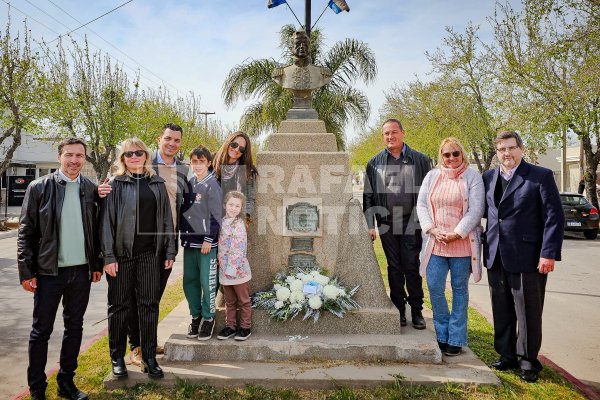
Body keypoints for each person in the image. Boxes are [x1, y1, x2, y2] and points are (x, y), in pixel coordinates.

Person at [18, 137, 104, 400]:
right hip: (48, 272)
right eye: (69, 155)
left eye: (79, 155)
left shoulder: (90, 189)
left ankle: (66, 382)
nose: (74, 160)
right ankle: (37, 388)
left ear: (84, 158)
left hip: (81, 271)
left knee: (74, 328)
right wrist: (26, 270)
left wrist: (96, 264)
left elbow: (97, 231)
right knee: (41, 331)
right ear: (60, 157)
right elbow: (26, 232)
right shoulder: (39, 187)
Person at [483, 130, 564, 383]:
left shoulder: (540, 176)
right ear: (496, 152)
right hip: (496, 254)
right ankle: (506, 356)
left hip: (528, 257)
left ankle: (528, 361)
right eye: (501, 149)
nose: (506, 153)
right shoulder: (487, 177)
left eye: (511, 148)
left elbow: (554, 217)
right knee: (502, 309)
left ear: (521, 149)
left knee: (528, 313)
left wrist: (548, 253)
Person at [101, 138, 176, 379]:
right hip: (121, 257)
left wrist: (169, 251)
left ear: (146, 155)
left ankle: (149, 357)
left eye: (138, 153)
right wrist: (109, 256)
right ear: (123, 159)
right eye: (129, 154)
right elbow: (106, 224)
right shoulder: (115, 184)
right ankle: (117, 358)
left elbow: (166, 220)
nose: (134, 157)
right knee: (119, 307)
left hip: (149, 256)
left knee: (149, 305)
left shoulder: (157, 183)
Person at [127, 122, 188, 366]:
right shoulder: (143, 161)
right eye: (168, 138)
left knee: (154, 295)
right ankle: (136, 346)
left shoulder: (183, 169)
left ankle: (149, 341)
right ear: (159, 139)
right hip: (142, 240)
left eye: (177, 140)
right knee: (136, 295)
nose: (172, 143)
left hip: (169, 240)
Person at [416, 138, 485, 356]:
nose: (452, 158)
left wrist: (458, 233)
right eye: (447, 155)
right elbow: (421, 204)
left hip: (462, 246)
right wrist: (432, 229)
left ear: (462, 154)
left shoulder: (473, 177)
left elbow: (476, 209)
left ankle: (455, 338)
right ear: (441, 156)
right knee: (435, 288)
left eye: (455, 153)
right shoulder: (432, 176)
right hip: (436, 245)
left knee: (459, 291)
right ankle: (442, 333)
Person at [363, 118, 432, 330]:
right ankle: (399, 310)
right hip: (386, 222)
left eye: (394, 132)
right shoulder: (374, 163)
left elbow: (430, 194)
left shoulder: (421, 160)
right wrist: (370, 224)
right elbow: (368, 196)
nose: (390, 137)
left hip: (412, 221)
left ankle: (417, 311)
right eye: (386, 134)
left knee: (411, 265)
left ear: (403, 133)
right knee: (394, 267)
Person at [180, 146, 223, 340]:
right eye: (194, 161)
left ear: (208, 163)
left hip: (206, 244)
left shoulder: (212, 184)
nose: (197, 165)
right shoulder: (189, 183)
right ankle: (195, 316)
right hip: (190, 243)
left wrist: (209, 239)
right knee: (190, 282)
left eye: (201, 161)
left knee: (208, 282)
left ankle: (208, 318)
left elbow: (216, 215)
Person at [216, 191, 253, 341]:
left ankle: (245, 327)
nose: (233, 208)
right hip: (224, 270)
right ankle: (230, 326)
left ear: (241, 208)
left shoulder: (239, 225)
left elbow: (238, 248)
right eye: (231, 204)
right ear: (225, 205)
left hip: (238, 271)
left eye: (237, 206)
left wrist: (232, 269)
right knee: (229, 301)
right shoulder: (222, 221)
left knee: (243, 300)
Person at [213, 131, 258, 220]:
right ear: (228, 143)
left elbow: (249, 199)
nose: (237, 149)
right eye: (234, 145)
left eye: (241, 149)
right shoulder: (212, 161)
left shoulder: (248, 170)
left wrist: (245, 218)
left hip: (234, 222)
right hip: (211, 219)